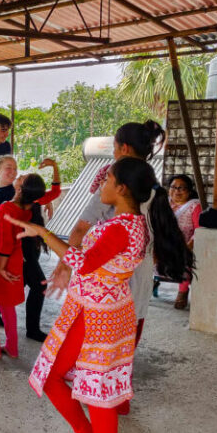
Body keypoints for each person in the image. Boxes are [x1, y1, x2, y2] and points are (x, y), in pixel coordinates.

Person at [7, 157, 194, 433]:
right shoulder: (132, 222)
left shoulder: (123, 227)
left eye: (107, 179)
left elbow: (83, 261)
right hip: (106, 309)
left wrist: (42, 232)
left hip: (95, 315)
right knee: (99, 389)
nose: (101, 185)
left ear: (121, 188)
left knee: (63, 381)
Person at [49, 121, 165, 394]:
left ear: (123, 148)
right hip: (142, 272)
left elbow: (80, 229)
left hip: (110, 281)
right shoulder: (153, 186)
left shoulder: (115, 185)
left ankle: (98, 399)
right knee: (126, 340)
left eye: (114, 148)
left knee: (94, 345)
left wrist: (64, 265)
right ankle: (118, 396)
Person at [0, 157, 61, 342]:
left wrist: (55, 167)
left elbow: (1, 238)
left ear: (21, 189)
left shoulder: (19, 200)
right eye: (9, 169)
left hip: (22, 252)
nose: (16, 173)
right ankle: (17, 329)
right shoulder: (4, 199)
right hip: (17, 253)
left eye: (17, 171)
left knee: (18, 287)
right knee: (20, 288)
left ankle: (18, 331)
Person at [0, 174, 51, 359]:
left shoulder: (7, 208)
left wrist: (1, 268)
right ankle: (11, 347)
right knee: (6, 306)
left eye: (22, 178)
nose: (19, 175)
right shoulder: (30, 209)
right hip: (14, 259)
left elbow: (4, 242)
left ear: (20, 189)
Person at [166, 174, 201, 309]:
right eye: (173, 187)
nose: (177, 191)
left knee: (185, 259)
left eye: (182, 188)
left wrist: (188, 247)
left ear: (189, 191)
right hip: (165, 244)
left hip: (186, 245)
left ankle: (183, 291)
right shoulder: (165, 203)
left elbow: (199, 230)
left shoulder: (194, 206)